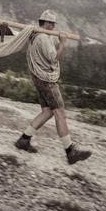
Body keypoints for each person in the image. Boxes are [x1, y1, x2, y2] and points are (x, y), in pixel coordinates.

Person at [14, 10, 92, 164]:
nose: (52, 26)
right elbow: (53, 57)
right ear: (47, 23)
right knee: (59, 112)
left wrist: (58, 39)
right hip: (47, 80)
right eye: (51, 23)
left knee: (47, 111)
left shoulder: (36, 35)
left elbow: (47, 51)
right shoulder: (43, 38)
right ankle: (70, 151)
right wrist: (63, 43)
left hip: (38, 79)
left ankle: (24, 140)